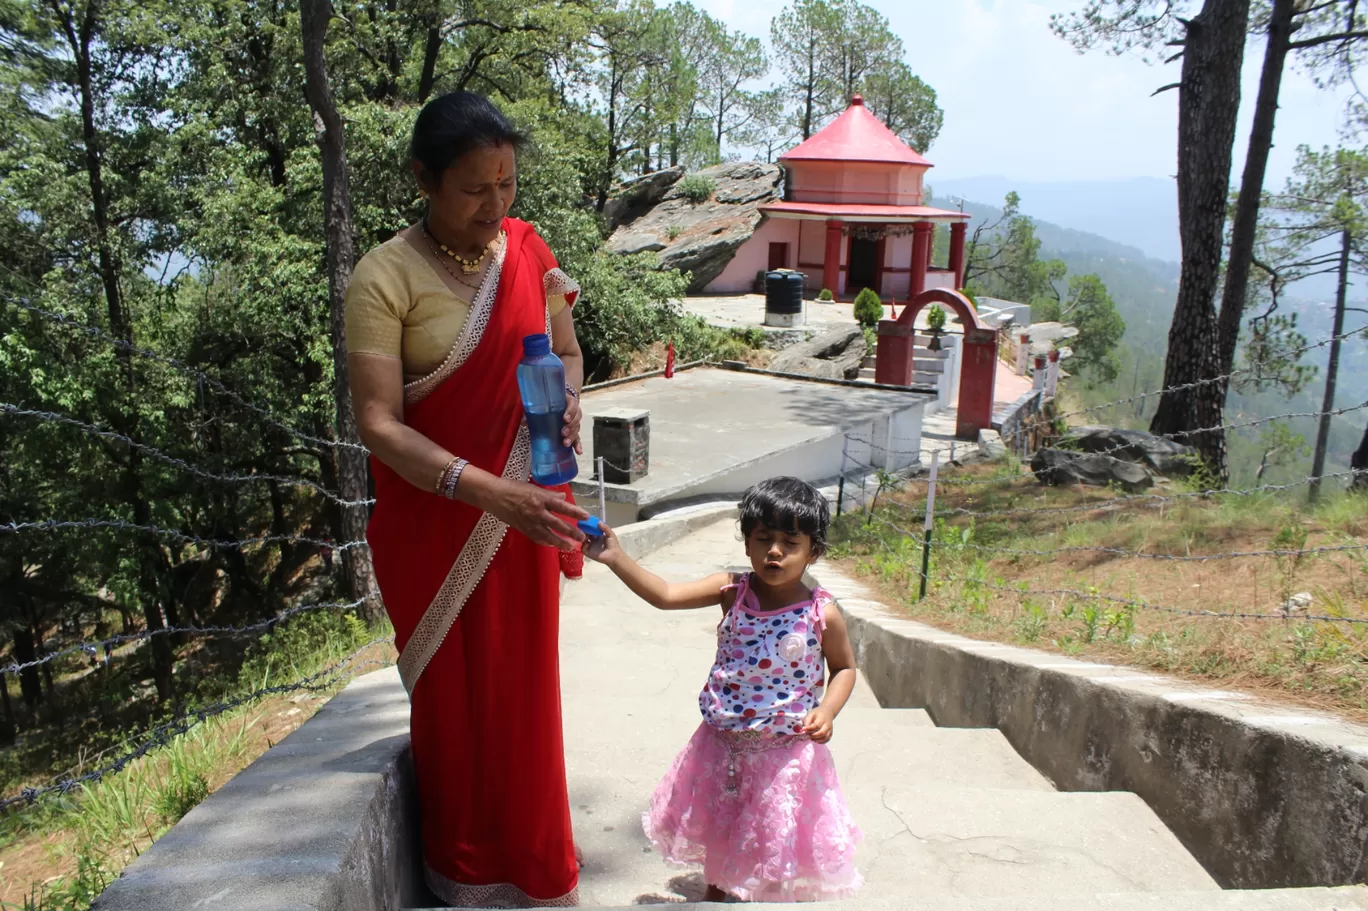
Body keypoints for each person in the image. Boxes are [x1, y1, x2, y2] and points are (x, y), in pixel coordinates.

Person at [345, 91, 589, 908]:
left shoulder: (528, 249)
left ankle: (535, 867)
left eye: (508, 185)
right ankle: (467, 876)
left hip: (523, 522)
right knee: (457, 708)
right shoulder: (384, 276)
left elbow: (564, 347)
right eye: (474, 189)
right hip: (437, 527)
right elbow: (378, 424)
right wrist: (490, 492)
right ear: (423, 178)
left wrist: (570, 402)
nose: (496, 207)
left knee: (524, 700)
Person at [586, 477, 863, 903]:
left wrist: (828, 711)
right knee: (723, 834)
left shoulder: (821, 613)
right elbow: (665, 595)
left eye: (789, 542)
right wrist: (616, 557)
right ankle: (717, 897)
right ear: (748, 543)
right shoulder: (731, 591)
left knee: (770, 845)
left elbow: (844, 668)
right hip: (721, 747)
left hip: (784, 754)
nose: (774, 551)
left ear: (814, 551)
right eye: (763, 538)